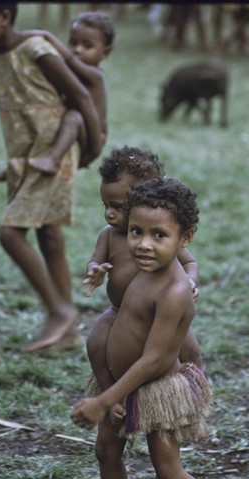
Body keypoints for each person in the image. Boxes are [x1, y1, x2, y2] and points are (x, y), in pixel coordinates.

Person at [0, 3, 103, 352]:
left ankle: (58, 311)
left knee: (10, 234)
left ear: (4, 17)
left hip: (54, 154)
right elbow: (15, 116)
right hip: (24, 159)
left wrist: (92, 147)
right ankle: (69, 329)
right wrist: (13, 163)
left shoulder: (36, 50)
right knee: (47, 232)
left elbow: (80, 96)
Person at [72, 177, 211, 479]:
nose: (143, 244)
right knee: (105, 453)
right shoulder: (145, 268)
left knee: (167, 472)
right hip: (117, 385)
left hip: (156, 391)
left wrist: (102, 401)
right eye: (137, 232)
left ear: (185, 237)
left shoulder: (175, 291)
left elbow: (153, 359)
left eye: (159, 235)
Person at [83, 146, 202, 400]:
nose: (108, 213)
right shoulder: (108, 235)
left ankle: (194, 397)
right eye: (105, 205)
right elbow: (94, 261)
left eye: (117, 206)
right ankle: (110, 396)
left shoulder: (161, 240)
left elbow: (190, 263)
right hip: (120, 313)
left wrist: (190, 282)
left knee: (191, 351)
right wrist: (95, 271)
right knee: (95, 343)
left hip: (162, 314)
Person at [0, 10, 115, 180]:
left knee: (73, 116)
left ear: (105, 53)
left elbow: (71, 59)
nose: (78, 50)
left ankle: (52, 160)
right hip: (74, 132)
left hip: (93, 137)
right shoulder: (71, 71)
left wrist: (48, 37)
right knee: (43, 126)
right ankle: (20, 168)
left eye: (87, 46)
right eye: (73, 42)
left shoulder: (94, 75)